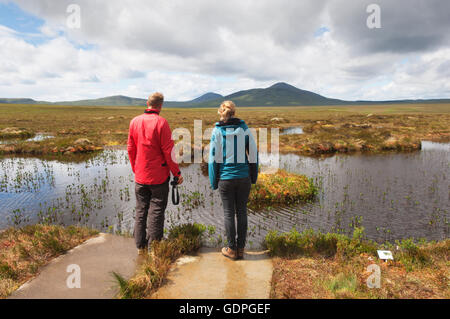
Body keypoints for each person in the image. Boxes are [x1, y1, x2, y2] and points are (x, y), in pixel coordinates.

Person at [127, 92, 183, 255]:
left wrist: (136, 168)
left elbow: (130, 149)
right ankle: (155, 247)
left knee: (140, 209)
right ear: (161, 105)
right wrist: (177, 173)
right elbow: (168, 151)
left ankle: (139, 245)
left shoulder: (134, 121)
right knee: (156, 210)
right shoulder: (162, 123)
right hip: (158, 178)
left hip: (140, 176)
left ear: (147, 103)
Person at [208, 101, 258, 260]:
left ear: (221, 113)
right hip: (244, 178)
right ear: (234, 112)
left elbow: (212, 159)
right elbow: (254, 154)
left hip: (225, 178)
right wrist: (253, 176)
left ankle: (231, 249)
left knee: (229, 213)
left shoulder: (216, 131)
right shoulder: (244, 128)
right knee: (242, 212)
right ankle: (241, 249)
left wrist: (213, 181)